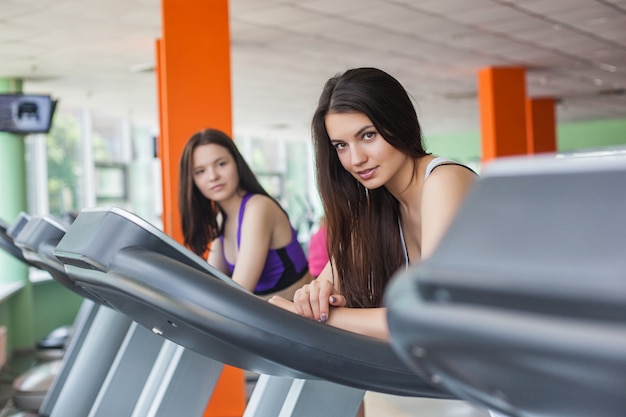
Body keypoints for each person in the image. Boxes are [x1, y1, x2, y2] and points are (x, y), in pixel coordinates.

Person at [268, 67, 477, 341]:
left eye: (368, 136)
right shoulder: (378, 207)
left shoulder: (443, 181)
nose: (356, 159)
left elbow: (429, 318)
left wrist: (324, 317)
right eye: (341, 145)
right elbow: (324, 284)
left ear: (399, 122)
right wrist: (311, 296)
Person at [179, 128, 312, 299]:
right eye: (200, 171)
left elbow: (238, 294)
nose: (213, 176)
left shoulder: (258, 208)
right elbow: (211, 283)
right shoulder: (221, 219)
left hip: (303, 322)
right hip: (266, 322)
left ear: (237, 164)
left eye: (221, 164)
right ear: (192, 180)